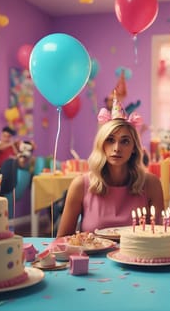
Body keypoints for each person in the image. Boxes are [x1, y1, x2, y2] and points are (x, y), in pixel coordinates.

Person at [56, 94, 164, 237]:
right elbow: (62, 241)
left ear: (134, 148)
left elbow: (160, 239)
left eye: (125, 141)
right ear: (101, 144)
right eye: (110, 140)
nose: (117, 148)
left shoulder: (151, 184)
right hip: (93, 259)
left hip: (137, 259)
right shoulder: (80, 185)